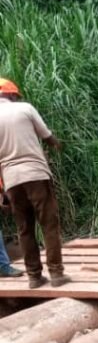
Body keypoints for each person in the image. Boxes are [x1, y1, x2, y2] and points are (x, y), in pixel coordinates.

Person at [0, 78, 67, 288]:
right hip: (35, 174)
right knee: (49, 224)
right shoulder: (25, 108)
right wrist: (58, 145)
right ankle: (56, 274)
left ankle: (34, 277)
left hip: (11, 180)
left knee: (25, 229)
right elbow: (46, 135)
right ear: (12, 95)